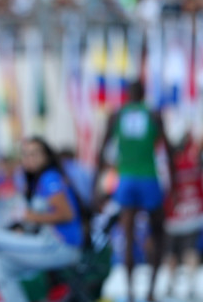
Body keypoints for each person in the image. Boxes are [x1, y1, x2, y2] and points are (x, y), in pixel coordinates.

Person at [0, 137, 85, 302]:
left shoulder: (49, 178)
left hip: (60, 245)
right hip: (48, 242)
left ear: (46, 156)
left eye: (34, 154)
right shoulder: (36, 180)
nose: (29, 159)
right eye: (25, 155)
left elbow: (67, 215)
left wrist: (32, 217)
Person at [94, 80, 175, 302]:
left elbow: (101, 151)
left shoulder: (117, 116)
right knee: (157, 233)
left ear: (127, 94)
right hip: (148, 178)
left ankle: (130, 291)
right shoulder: (153, 116)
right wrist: (174, 185)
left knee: (128, 235)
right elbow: (167, 151)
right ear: (144, 94)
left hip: (126, 179)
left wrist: (96, 185)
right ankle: (151, 290)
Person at [163, 132, 203, 300]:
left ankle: (170, 286)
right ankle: (191, 287)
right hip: (193, 215)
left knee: (171, 252)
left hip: (173, 217)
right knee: (191, 251)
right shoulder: (194, 164)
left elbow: (165, 192)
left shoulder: (170, 166)